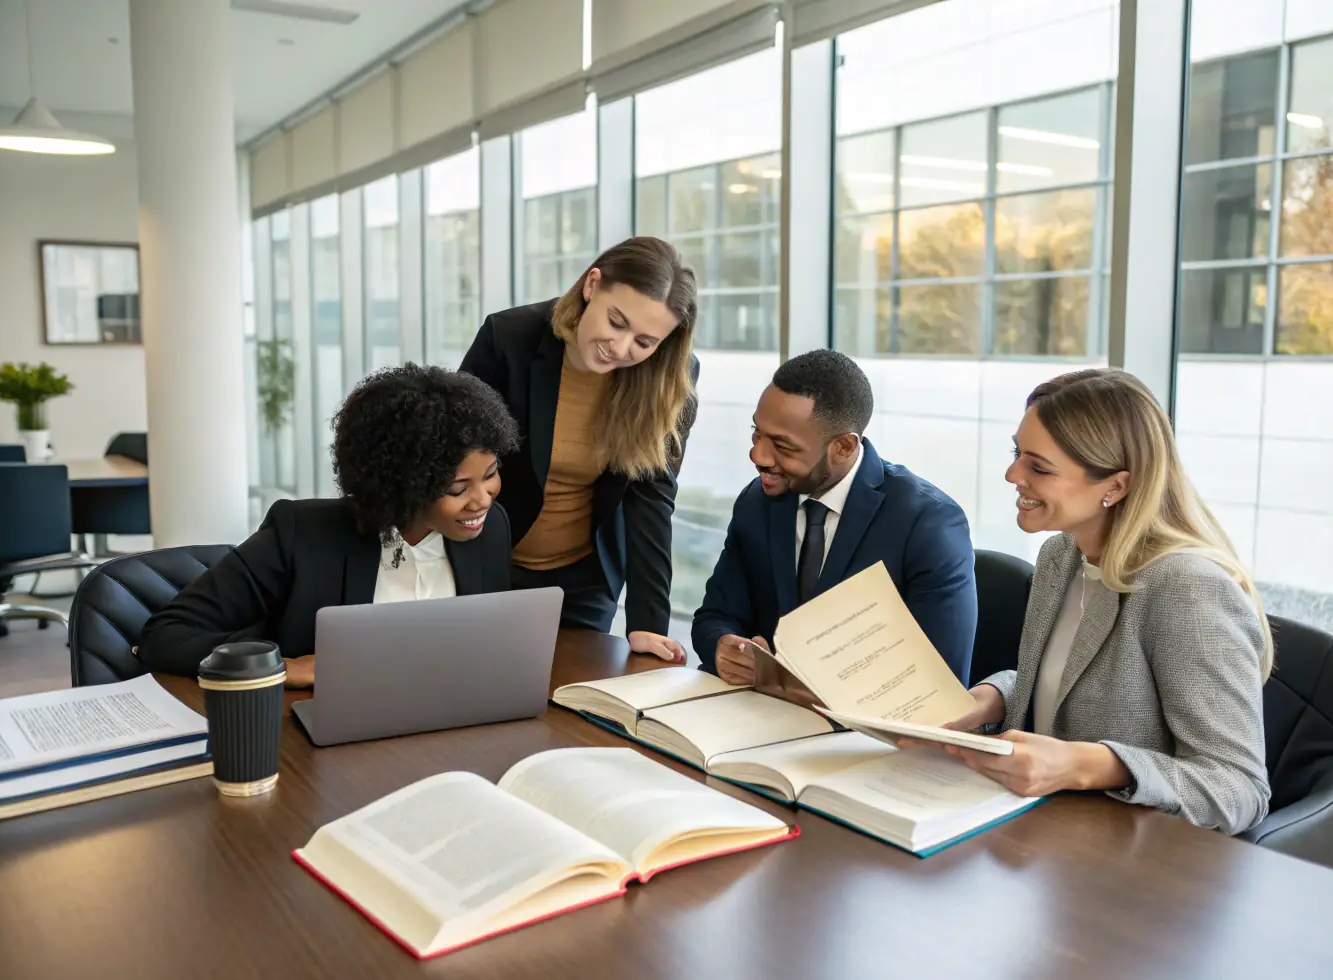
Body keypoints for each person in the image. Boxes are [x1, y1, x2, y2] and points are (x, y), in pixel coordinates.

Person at [909, 368, 1271, 835]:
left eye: (1039, 467)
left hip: (1130, 868)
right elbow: (1072, 683)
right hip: (1042, 836)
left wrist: (1090, 765)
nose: (1012, 474)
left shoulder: (1187, 588)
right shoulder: (1062, 554)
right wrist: (991, 699)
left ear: (1115, 487)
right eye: (1018, 453)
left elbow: (1238, 789)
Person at [139, 365, 520, 686]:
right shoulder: (302, 536)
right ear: (404, 484)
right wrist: (284, 667)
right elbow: (166, 636)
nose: (484, 498)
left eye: (490, 474)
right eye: (458, 488)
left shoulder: (490, 529)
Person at [459, 236, 698, 664]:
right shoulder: (508, 337)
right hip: (485, 559)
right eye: (617, 322)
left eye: (645, 342)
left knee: (567, 706)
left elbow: (652, 500)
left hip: (583, 580)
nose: (621, 348)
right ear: (592, 285)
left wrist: (647, 622)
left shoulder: (669, 379)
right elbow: (453, 456)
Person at [691, 349, 978, 691]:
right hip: (760, 717)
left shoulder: (928, 523)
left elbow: (940, 681)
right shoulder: (757, 502)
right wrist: (723, 646)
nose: (757, 455)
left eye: (782, 446)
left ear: (843, 447)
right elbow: (714, 617)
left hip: (866, 737)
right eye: (757, 433)